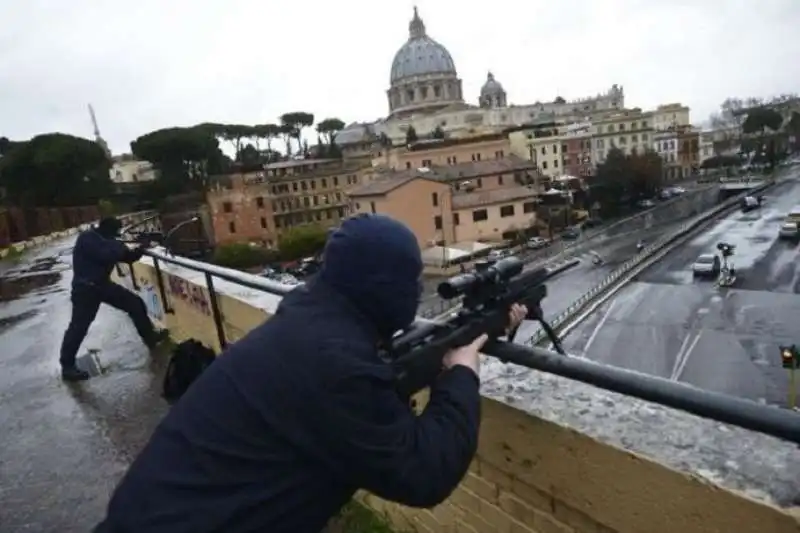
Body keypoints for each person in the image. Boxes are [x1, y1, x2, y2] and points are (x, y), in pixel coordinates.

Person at [93, 213, 527, 533]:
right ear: (383, 288)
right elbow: (424, 473)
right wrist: (461, 375)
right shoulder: (337, 364)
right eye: (412, 281)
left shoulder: (307, 319)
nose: (417, 292)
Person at [59, 217, 168, 382]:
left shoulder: (107, 241)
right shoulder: (88, 238)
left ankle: (150, 337)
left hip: (102, 285)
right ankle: (67, 366)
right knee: (78, 327)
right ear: (107, 230)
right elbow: (106, 254)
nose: (117, 235)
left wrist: (143, 246)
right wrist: (120, 245)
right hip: (86, 289)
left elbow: (127, 257)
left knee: (135, 304)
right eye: (115, 233)